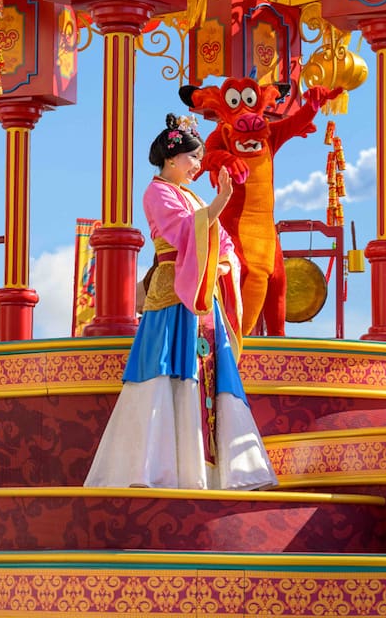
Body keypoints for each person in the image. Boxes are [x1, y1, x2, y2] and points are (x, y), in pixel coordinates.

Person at [85, 114, 278, 491]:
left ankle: (219, 472)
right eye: (193, 158)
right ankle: (154, 470)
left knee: (210, 375)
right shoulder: (157, 192)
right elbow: (185, 232)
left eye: (200, 158)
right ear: (171, 158)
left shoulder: (193, 197)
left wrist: (225, 262)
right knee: (163, 371)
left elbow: (221, 240)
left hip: (203, 294)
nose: (197, 166)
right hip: (174, 293)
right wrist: (220, 202)